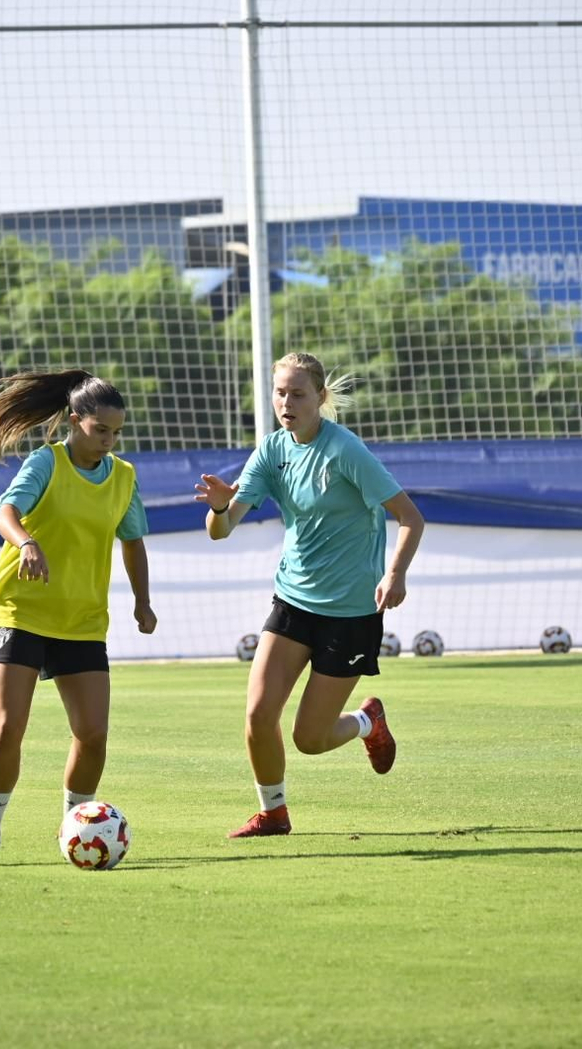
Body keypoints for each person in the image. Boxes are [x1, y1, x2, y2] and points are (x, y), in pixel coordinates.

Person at [195, 351, 425, 837]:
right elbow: (222, 529)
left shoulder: (345, 450)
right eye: (280, 392)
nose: (286, 402)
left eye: (297, 394)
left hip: (350, 614)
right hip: (293, 601)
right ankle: (273, 814)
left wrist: (395, 574)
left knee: (310, 739)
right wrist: (219, 508)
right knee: (258, 714)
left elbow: (410, 517)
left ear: (320, 398)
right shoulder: (271, 451)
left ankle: (367, 721)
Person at [0, 369, 157, 867]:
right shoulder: (46, 463)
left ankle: (73, 827)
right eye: (100, 430)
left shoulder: (124, 477)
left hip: (82, 619)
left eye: (116, 432)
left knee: (93, 735)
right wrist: (26, 542)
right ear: (75, 421)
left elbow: (132, 542)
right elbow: (5, 512)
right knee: (8, 728)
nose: (109, 441)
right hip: (21, 611)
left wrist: (142, 601)